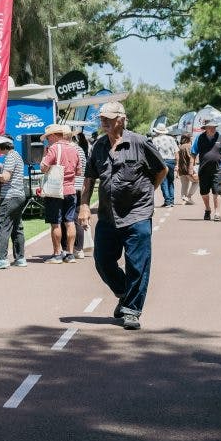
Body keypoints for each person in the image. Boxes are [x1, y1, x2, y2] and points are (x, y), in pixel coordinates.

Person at [78, 101, 167, 331]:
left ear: (121, 119)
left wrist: (147, 194)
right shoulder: (98, 146)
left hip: (137, 213)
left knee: (137, 265)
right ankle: (124, 294)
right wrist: (84, 206)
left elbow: (162, 170)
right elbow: (89, 179)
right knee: (103, 261)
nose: (103, 121)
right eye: (102, 118)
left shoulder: (139, 142)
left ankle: (132, 310)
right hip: (108, 216)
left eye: (108, 117)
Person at [40, 124, 80, 263]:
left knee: (55, 223)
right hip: (71, 189)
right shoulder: (74, 149)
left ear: (54, 135)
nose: (47, 140)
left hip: (56, 191)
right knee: (70, 222)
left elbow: (43, 168)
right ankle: (70, 254)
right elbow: (79, 171)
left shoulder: (53, 148)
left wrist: (46, 155)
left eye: (48, 137)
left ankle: (57, 254)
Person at [0, 134, 27, 269]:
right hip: (19, 196)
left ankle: (2, 259)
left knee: (3, 227)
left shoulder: (10, 157)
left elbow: (5, 177)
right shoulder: (16, 155)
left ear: (2, 145)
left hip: (10, 196)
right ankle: (20, 258)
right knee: (17, 227)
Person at [191, 118, 221, 221]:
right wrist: (191, 168)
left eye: (214, 127)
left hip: (217, 169)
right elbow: (193, 153)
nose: (213, 129)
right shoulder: (199, 138)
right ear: (205, 128)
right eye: (210, 127)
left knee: (217, 191)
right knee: (204, 193)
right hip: (203, 170)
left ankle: (217, 213)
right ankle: (207, 209)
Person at [150, 126, 179, 207]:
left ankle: (168, 201)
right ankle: (171, 200)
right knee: (170, 181)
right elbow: (176, 152)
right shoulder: (171, 139)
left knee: (163, 182)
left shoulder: (155, 140)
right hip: (171, 161)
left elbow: (153, 153)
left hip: (161, 161)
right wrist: (177, 164)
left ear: (157, 131)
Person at [72, 132, 89, 259]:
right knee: (78, 217)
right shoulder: (82, 150)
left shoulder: (70, 149)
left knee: (71, 219)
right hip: (80, 185)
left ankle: (74, 248)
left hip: (70, 186)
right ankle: (79, 249)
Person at [177, 134, 196, 205]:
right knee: (196, 181)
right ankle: (188, 196)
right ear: (188, 138)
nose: (192, 139)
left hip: (181, 169)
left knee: (184, 184)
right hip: (187, 168)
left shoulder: (180, 146)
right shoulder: (188, 146)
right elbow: (190, 157)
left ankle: (184, 199)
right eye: (191, 137)